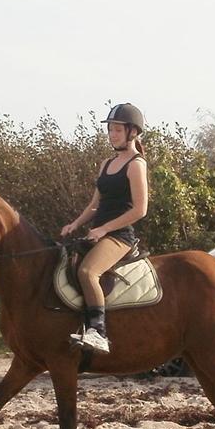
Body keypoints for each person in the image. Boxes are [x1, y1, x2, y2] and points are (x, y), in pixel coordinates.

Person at [60, 103, 149, 354]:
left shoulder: (136, 164)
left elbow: (140, 210)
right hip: (97, 231)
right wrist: (76, 224)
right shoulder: (105, 164)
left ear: (133, 132)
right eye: (110, 129)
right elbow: (95, 205)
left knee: (88, 272)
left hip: (119, 236)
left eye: (117, 130)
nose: (112, 134)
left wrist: (104, 230)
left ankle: (98, 332)